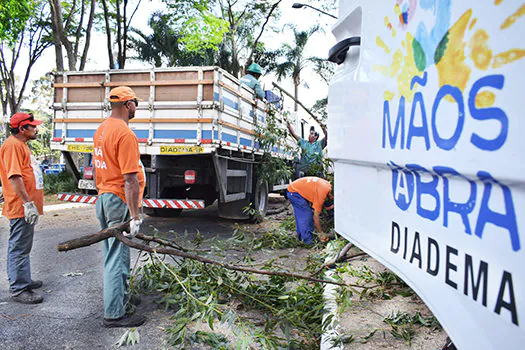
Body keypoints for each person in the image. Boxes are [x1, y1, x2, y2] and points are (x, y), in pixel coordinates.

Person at [92, 86, 146, 328]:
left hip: (105, 197)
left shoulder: (102, 130)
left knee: (112, 254)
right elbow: (130, 179)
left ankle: (119, 301)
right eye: (135, 102)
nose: (136, 106)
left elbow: (97, 169)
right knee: (117, 256)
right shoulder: (125, 134)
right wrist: (134, 215)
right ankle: (114, 314)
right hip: (118, 199)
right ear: (127, 105)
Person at [0, 112, 45, 304]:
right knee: (19, 247)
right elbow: (15, 177)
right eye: (32, 126)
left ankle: (24, 279)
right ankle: (19, 288)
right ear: (22, 128)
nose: (36, 129)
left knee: (24, 245)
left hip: (26, 205)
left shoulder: (21, 145)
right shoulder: (12, 146)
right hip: (21, 206)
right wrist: (27, 203)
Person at [286, 177, 334, 245]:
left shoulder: (328, 186)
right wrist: (321, 233)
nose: (332, 198)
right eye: (332, 197)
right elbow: (316, 217)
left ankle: (302, 237)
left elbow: (326, 206)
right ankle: (307, 242)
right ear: (331, 194)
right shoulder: (322, 194)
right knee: (306, 215)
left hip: (296, 188)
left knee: (302, 215)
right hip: (294, 192)